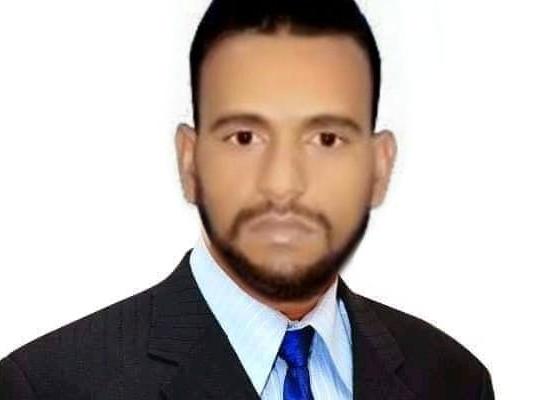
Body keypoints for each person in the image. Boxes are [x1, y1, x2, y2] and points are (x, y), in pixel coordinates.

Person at [0, 0, 495, 399]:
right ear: (190, 162)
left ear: (379, 167)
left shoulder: (453, 381)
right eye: (244, 137)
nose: (282, 184)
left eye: (326, 139)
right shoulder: (46, 387)